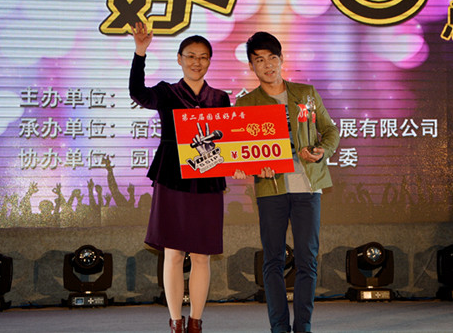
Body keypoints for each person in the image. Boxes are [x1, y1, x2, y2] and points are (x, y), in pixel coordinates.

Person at [233, 32, 340, 333]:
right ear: (251, 66)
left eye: (272, 58)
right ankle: (279, 328)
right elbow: (240, 152)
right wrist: (252, 167)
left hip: (308, 186)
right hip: (271, 191)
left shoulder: (306, 93)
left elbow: (330, 131)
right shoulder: (246, 103)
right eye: (259, 60)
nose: (267, 65)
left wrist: (321, 151)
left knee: (307, 260)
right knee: (273, 261)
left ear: (281, 59)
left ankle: (303, 326)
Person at [129, 22, 231, 333]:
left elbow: (228, 143)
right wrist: (140, 52)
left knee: (202, 256)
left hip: (208, 181)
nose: (196, 62)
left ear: (209, 61)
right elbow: (137, 93)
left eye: (203, 57)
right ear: (179, 59)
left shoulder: (220, 98)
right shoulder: (166, 92)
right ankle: (175, 321)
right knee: (173, 253)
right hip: (172, 177)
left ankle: (196, 321)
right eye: (190, 56)